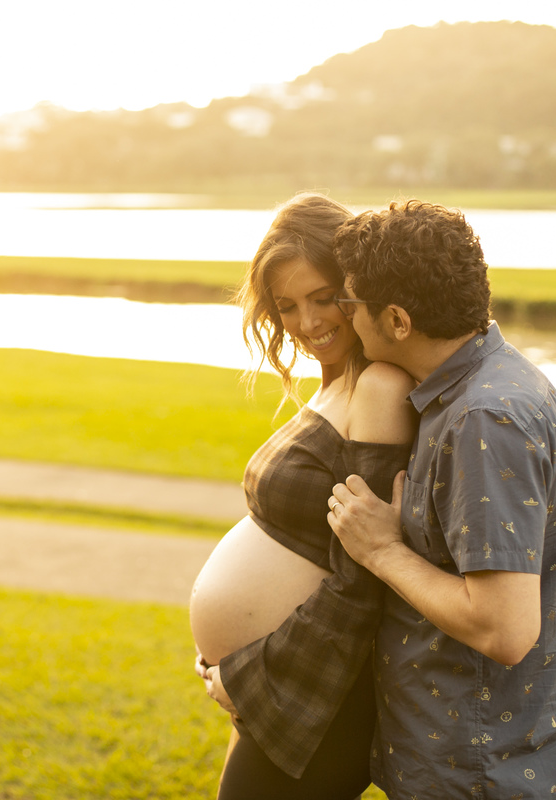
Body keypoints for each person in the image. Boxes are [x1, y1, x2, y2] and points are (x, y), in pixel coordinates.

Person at [319, 200, 556, 798]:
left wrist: (383, 551)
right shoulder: (484, 385)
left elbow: (504, 629)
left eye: (349, 302)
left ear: (397, 320)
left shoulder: (484, 419)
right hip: (467, 755)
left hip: (480, 766)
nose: (343, 316)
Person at [188, 192, 417, 799]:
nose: (307, 323)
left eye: (323, 297)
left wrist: (249, 673)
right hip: (281, 689)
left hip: (317, 700)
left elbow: (362, 578)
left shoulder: (379, 387)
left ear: (357, 286)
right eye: (286, 306)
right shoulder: (334, 381)